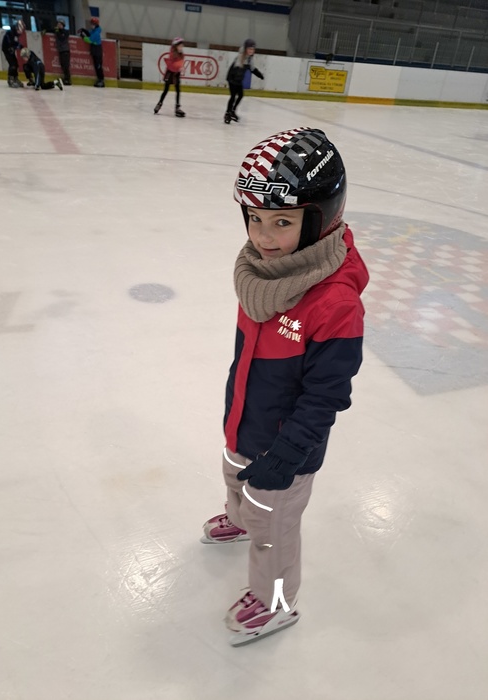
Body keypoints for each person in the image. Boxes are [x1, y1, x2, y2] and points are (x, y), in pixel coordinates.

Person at [201, 127, 369, 646]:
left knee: (272, 530)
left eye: (282, 221)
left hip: (286, 449)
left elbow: (326, 396)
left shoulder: (334, 303)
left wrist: (288, 454)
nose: (263, 236)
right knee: (234, 477)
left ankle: (276, 603)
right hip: (244, 419)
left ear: (320, 219)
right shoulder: (260, 275)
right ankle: (239, 518)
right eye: (255, 218)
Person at [224, 38, 264, 124]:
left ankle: (232, 111)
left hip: (238, 80)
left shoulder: (249, 59)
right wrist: (234, 80)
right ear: (245, 49)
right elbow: (236, 69)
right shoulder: (240, 57)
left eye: (252, 49)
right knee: (233, 96)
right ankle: (228, 113)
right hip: (232, 78)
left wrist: (260, 75)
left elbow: (252, 69)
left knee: (241, 95)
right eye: (249, 49)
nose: (251, 51)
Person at [154, 37, 185, 117]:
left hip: (176, 73)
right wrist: (180, 66)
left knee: (178, 90)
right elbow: (174, 64)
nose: (181, 47)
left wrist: (181, 67)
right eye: (180, 46)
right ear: (175, 46)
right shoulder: (172, 53)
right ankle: (159, 104)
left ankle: (177, 107)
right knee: (166, 90)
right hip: (170, 72)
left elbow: (181, 62)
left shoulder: (181, 54)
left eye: (182, 46)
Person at [79, 17, 104, 88]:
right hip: (95, 50)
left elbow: (90, 40)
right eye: (91, 24)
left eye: (92, 24)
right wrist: (84, 30)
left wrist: (83, 37)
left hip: (97, 50)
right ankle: (99, 79)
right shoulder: (94, 30)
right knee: (96, 66)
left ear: (96, 25)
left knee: (98, 66)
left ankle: (101, 80)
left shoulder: (96, 33)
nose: (91, 25)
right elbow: (89, 34)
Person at [1, 20, 25, 88]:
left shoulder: (15, 33)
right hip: (7, 50)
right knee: (13, 64)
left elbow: (15, 42)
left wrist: (20, 46)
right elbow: (10, 43)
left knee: (16, 64)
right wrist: (16, 46)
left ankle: (15, 78)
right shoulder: (10, 33)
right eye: (19, 30)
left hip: (11, 50)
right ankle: (10, 79)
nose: (19, 32)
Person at [54, 20, 71, 85]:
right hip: (61, 50)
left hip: (65, 50)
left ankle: (68, 79)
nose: (58, 26)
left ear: (63, 25)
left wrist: (57, 31)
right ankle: (66, 78)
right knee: (62, 65)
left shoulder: (66, 32)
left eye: (60, 25)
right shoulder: (57, 31)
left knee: (66, 65)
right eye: (58, 24)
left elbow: (62, 38)